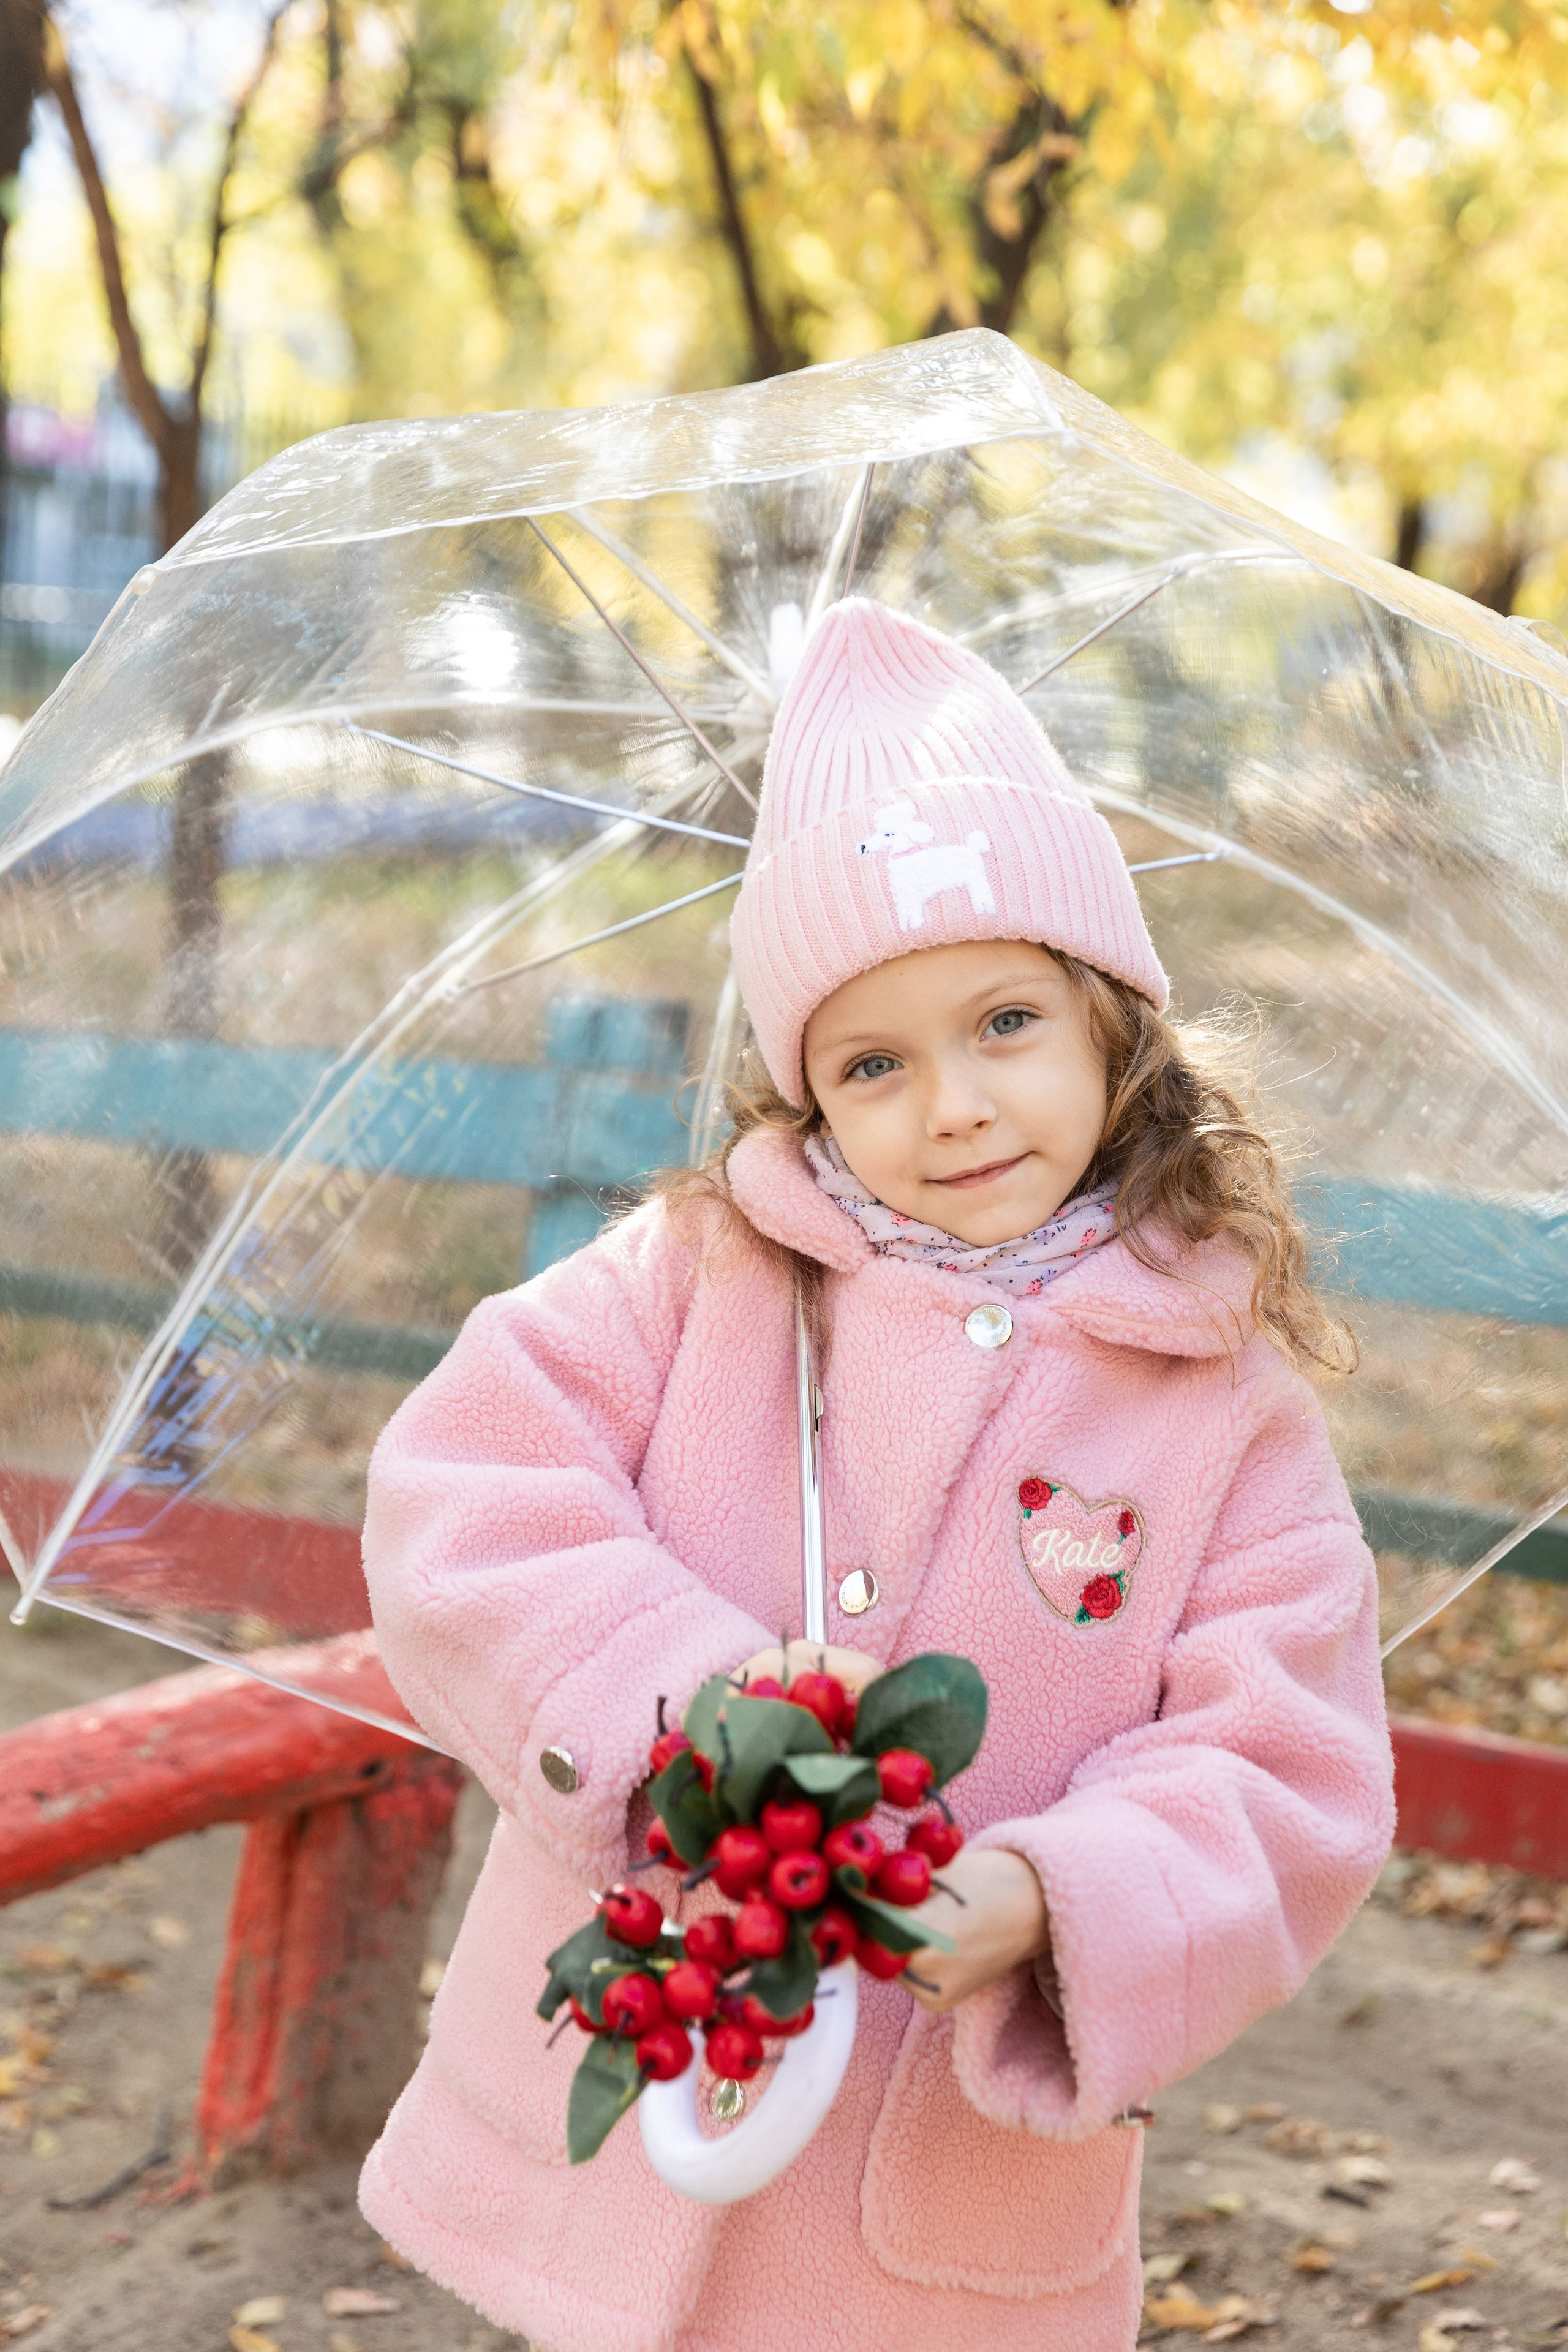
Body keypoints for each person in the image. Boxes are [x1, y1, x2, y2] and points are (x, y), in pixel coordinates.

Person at [357, 598, 1395, 2352]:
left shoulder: (1224, 1405)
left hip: (923, 2213)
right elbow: (472, 1483)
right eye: (872, 1063)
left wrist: (1058, 1899)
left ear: (1112, 1025)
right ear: (805, 1095)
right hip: (635, 2099)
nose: (956, 1104)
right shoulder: (698, 1280)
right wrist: (699, 1708)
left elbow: (1281, 1758)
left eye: (1005, 1022)